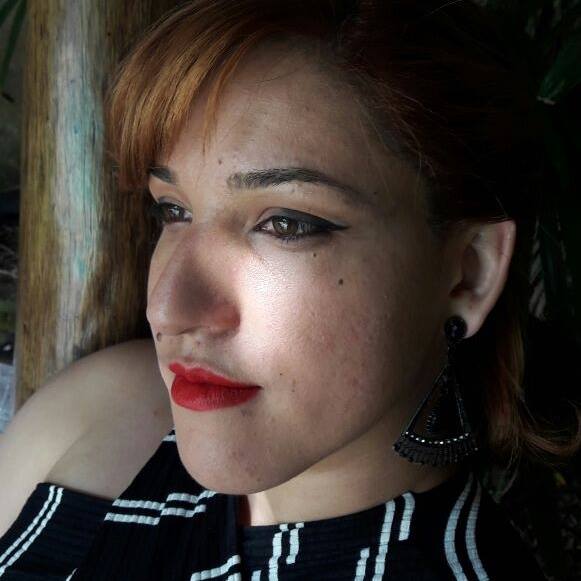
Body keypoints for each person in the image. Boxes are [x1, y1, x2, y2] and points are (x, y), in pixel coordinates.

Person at [0, 0, 579, 579]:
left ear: (469, 272)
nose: (167, 309)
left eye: (286, 224)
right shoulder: (100, 410)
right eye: (173, 210)